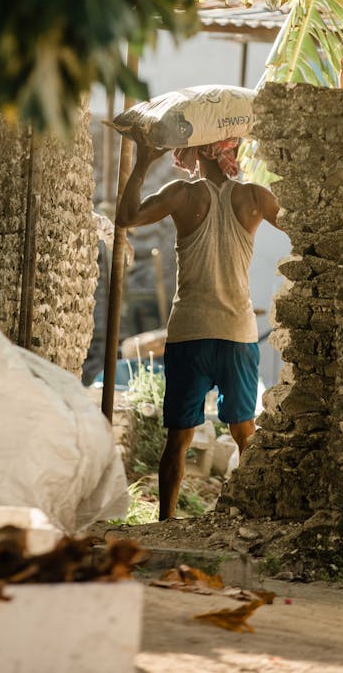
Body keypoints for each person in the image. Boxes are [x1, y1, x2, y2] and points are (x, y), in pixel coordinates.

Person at [117, 136, 279, 520]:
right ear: (231, 155)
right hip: (238, 333)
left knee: (179, 439)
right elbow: (302, 226)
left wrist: (142, 163)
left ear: (202, 154)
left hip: (190, 331)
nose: (182, 157)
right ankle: (251, 519)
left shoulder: (181, 194)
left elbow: (126, 217)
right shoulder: (254, 197)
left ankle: (166, 521)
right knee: (245, 433)